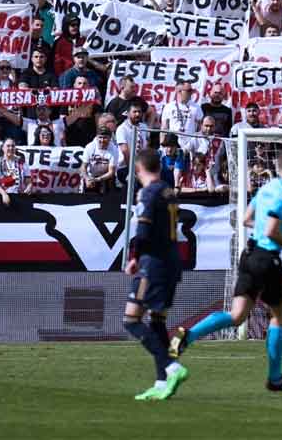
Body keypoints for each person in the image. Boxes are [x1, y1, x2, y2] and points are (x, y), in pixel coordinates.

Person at [170, 145, 282, 392]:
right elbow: (270, 231)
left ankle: (187, 336)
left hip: (249, 255)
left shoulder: (267, 189)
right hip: (267, 259)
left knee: (237, 316)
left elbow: (247, 219)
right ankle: (275, 378)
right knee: (278, 316)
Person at [122, 152, 189, 400]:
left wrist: (134, 258)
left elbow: (143, 231)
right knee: (157, 321)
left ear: (139, 169)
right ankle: (162, 383)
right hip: (172, 263)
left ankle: (172, 368)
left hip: (153, 265)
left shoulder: (149, 194)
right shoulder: (168, 192)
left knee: (131, 320)